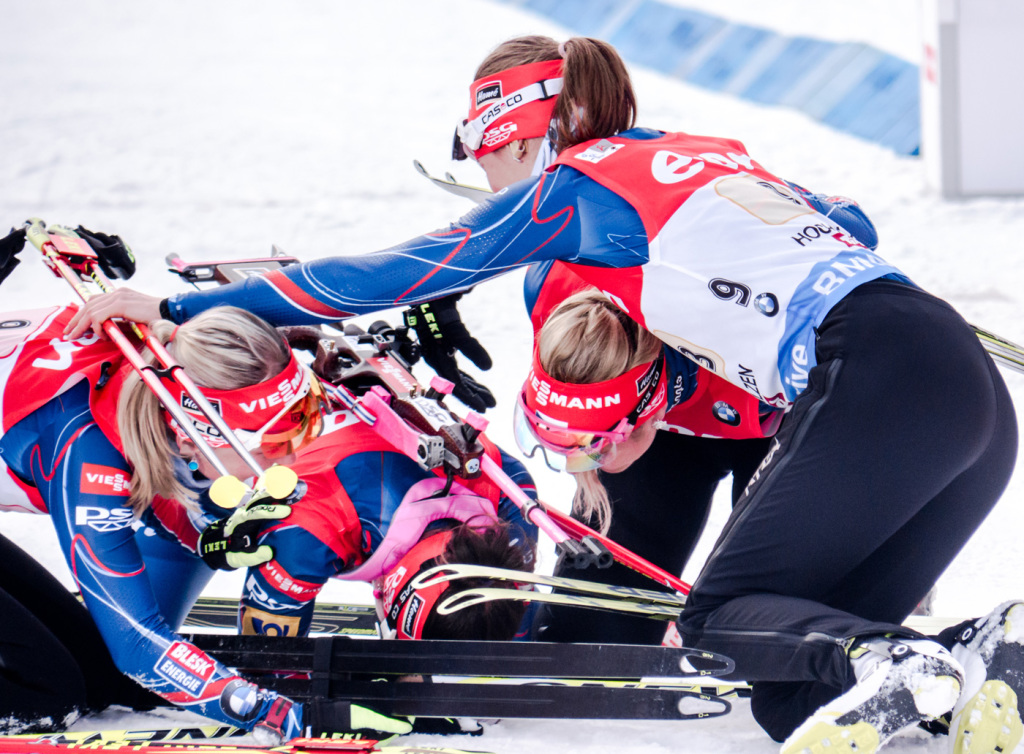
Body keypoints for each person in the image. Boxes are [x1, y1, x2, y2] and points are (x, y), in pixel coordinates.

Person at [59, 33, 1019, 750]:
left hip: (873, 376)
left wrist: (184, 304)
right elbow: (849, 221)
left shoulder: (579, 185)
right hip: (951, 385)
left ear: (531, 138)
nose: (494, 194)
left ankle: (894, 661)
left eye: (493, 166)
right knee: (783, 678)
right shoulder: (701, 151)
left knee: (720, 619)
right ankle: (985, 651)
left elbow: (388, 273)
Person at [517, 289, 1021, 754]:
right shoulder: (563, 310)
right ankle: (954, 661)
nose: (576, 462)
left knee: (743, 635)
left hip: (780, 417)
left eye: (590, 446)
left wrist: (877, 530)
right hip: (669, 421)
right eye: (563, 442)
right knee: (588, 640)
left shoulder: (737, 329)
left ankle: (887, 649)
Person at [0, 303, 339, 740]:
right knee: (46, 697)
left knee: (104, 680)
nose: (291, 457)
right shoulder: (87, 449)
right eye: (273, 443)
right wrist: (279, 716)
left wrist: (208, 534)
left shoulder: (178, 371)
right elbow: (137, 643)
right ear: (198, 432)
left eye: (303, 424)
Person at [231, 395, 538, 641]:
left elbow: (507, 609)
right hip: (221, 461)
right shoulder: (304, 539)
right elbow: (267, 668)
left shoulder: (511, 492)